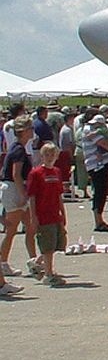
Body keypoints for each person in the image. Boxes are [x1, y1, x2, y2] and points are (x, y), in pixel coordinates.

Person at [25, 142, 67, 286]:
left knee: (57, 243)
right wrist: (33, 216)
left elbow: (59, 194)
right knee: (47, 245)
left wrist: (63, 213)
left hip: (55, 212)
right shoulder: (36, 173)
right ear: (41, 156)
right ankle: (49, 274)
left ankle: (36, 263)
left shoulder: (56, 172)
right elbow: (32, 196)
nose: (50, 157)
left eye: (52, 155)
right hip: (43, 214)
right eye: (47, 155)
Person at [0, 115, 37, 281]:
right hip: (14, 189)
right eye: (31, 129)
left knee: (30, 226)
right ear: (24, 131)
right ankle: (2, 263)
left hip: (17, 188)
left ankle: (33, 260)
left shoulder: (19, 148)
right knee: (11, 229)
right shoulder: (18, 150)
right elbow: (16, 174)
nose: (33, 132)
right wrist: (23, 195)